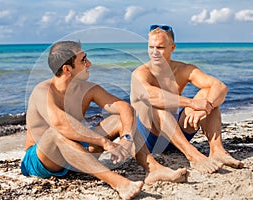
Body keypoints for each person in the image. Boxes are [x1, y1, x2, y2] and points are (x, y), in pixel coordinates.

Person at [21, 40, 188, 200]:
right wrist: (104, 142)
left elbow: (124, 107)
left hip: (78, 154)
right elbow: (60, 124)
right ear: (67, 69)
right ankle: (118, 183)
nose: (89, 64)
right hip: (43, 160)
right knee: (55, 133)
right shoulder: (42, 91)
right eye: (83, 60)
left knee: (119, 119)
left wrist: (127, 138)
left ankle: (153, 169)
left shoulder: (88, 89)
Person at [130, 25, 244, 174]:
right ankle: (192, 155)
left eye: (160, 47)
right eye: (151, 47)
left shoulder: (184, 69)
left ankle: (217, 150)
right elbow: (150, 95)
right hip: (151, 140)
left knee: (208, 95)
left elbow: (219, 86)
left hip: (178, 135)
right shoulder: (140, 73)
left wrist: (204, 109)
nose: (154, 52)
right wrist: (192, 103)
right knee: (156, 107)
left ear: (172, 47)